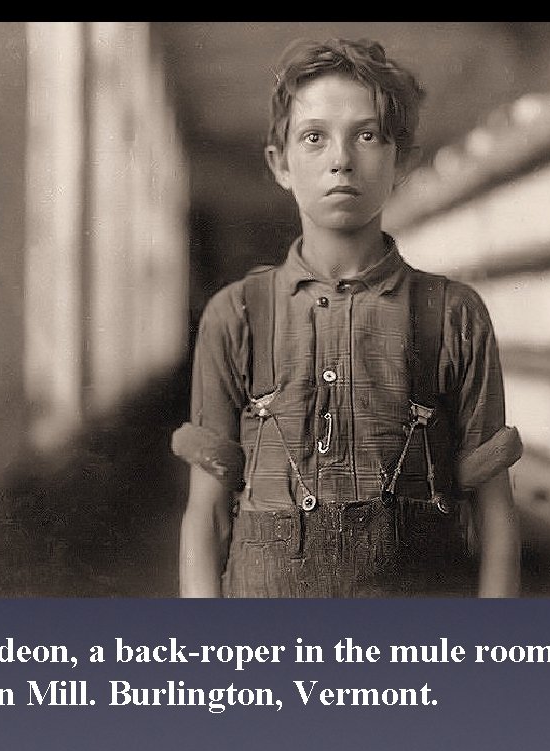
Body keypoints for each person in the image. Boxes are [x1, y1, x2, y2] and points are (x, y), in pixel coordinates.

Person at [172, 37, 523, 598]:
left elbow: (495, 516)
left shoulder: (454, 315)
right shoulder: (236, 314)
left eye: (367, 135)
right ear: (280, 163)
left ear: (401, 162)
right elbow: (206, 516)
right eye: (314, 138)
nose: (341, 159)